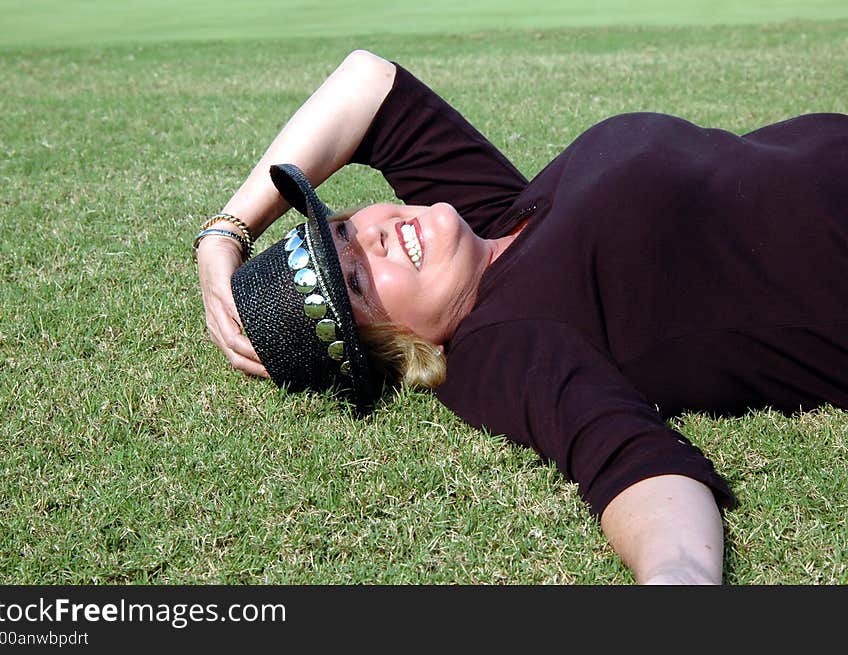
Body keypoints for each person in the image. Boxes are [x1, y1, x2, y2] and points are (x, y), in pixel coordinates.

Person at [195, 50, 848, 584]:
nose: (376, 232)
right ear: (399, 343)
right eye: (361, 281)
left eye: (343, 228)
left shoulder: (497, 215)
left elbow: (368, 82)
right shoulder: (497, 343)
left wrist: (223, 235)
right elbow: (624, 455)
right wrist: (678, 576)